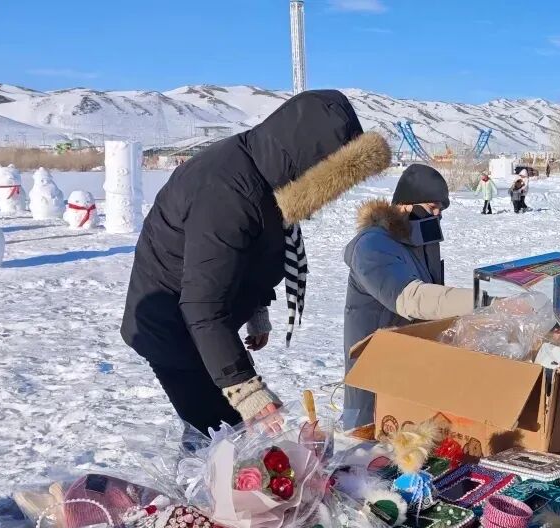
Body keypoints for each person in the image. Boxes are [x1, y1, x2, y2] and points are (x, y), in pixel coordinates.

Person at [121, 90, 390, 437]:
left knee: (228, 436)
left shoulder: (263, 174)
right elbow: (202, 304)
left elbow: (247, 254)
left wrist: (255, 310)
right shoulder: (228, 192)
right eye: (331, 182)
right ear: (311, 163)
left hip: (204, 324)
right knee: (223, 436)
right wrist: (245, 390)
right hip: (174, 330)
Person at [342, 164, 477, 429]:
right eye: (432, 207)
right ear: (405, 205)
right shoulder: (372, 246)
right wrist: (482, 301)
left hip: (409, 368)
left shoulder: (419, 242)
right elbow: (413, 298)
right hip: (374, 377)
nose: (438, 215)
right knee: (369, 442)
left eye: (441, 209)